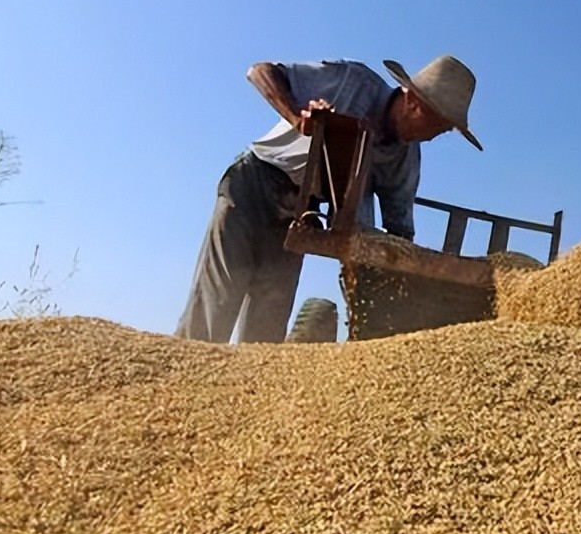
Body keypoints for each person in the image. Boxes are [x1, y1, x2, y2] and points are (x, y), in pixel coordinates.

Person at [175, 55, 482, 343]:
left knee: (266, 326)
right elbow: (262, 71)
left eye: (444, 131)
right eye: (437, 124)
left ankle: (244, 383)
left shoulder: (405, 157)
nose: (434, 136)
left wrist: (399, 284)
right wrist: (298, 117)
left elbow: (400, 231)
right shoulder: (354, 83)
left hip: (300, 214)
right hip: (254, 186)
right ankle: (183, 373)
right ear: (413, 101)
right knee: (215, 305)